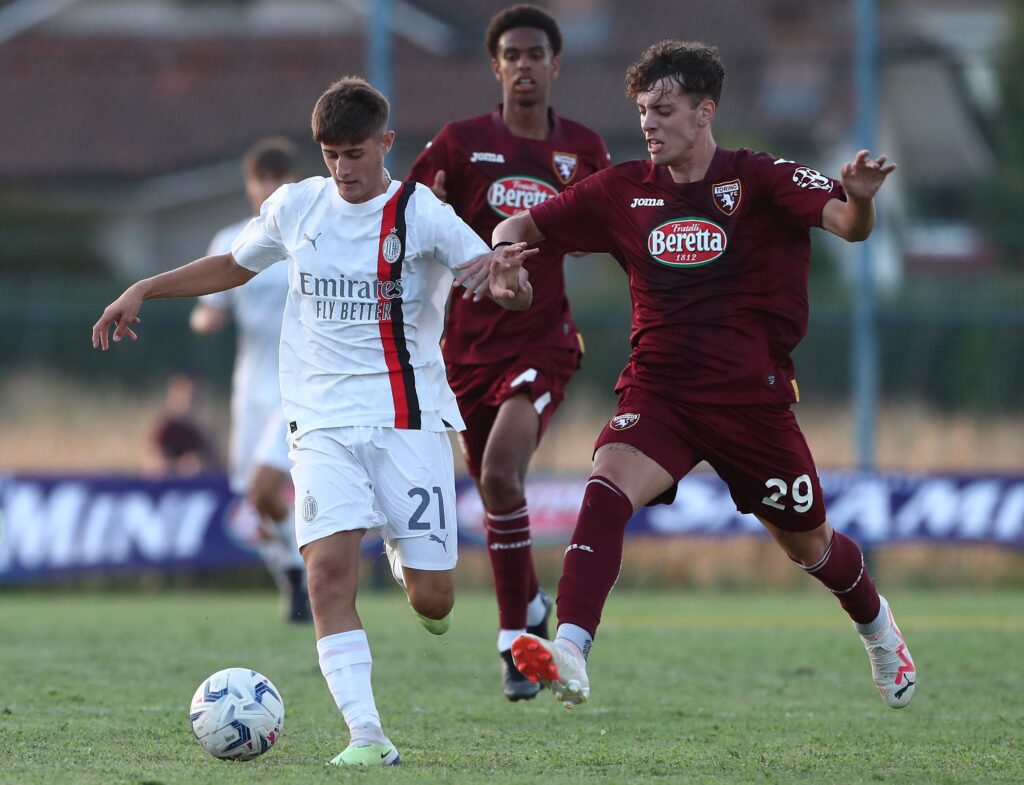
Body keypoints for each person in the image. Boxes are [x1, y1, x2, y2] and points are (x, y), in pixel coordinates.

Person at [92, 76, 533, 766]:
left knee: (435, 599)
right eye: (330, 154)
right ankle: (367, 735)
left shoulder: (422, 212)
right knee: (327, 574)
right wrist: (145, 287)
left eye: (355, 153)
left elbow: (499, 280)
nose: (342, 168)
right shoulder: (296, 206)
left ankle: (400, 543)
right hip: (320, 419)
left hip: (407, 419)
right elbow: (233, 266)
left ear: (386, 144)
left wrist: (510, 280)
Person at [479, 40, 917, 711]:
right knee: (605, 486)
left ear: (705, 111)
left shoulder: (760, 178)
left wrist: (858, 200)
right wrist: (505, 253)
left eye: (663, 110)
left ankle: (881, 632)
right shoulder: (622, 190)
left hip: (751, 403)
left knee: (812, 545)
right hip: (659, 394)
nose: (649, 123)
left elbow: (847, 225)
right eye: (643, 111)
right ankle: (569, 647)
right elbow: (518, 222)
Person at [407, 3, 611, 702]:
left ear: (555, 65)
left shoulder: (582, 149)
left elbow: (608, 226)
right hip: (463, 351)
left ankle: (513, 647)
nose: (524, 66)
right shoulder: (460, 144)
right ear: (495, 67)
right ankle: (528, 607)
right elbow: (411, 216)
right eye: (511, 56)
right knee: (496, 494)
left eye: (536, 54)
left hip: (544, 340)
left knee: (499, 473)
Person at [189, 137, 311, 623]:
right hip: (252, 390)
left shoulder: (308, 237)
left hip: (299, 385)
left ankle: (307, 573)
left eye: (279, 178)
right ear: (249, 187)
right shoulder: (231, 241)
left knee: (265, 488)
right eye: (262, 179)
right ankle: (293, 574)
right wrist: (205, 321)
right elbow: (206, 308)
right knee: (256, 498)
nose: (270, 188)